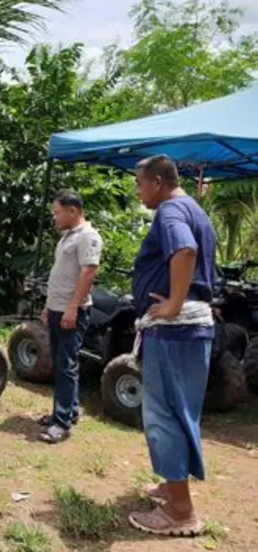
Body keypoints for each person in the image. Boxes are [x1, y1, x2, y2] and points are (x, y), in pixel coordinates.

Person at [127, 155, 215, 537]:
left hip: (176, 328)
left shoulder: (170, 211)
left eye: (140, 184)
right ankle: (172, 486)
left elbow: (184, 251)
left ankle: (181, 511)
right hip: (193, 329)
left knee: (164, 415)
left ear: (158, 182)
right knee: (181, 411)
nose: (138, 191)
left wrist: (173, 303)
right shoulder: (194, 209)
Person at [39, 190, 102, 444]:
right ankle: (68, 411)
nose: (55, 218)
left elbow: (88, 273)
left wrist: (73, 308)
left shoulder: (88, 236)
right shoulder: (67, 237)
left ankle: (61, 423)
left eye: (57, 212)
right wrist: (49, 306)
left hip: (71, 311)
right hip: (57, 308)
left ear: (73, 211)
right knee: (61, 363)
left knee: (66, 366)